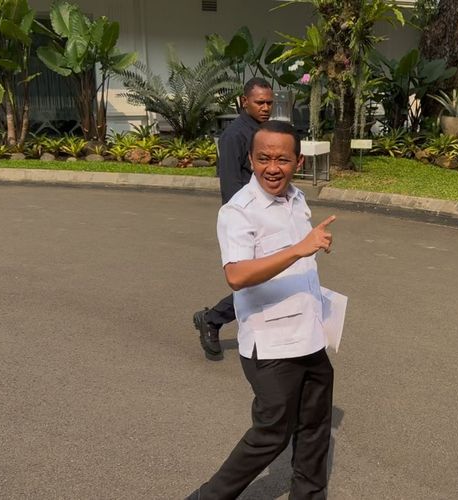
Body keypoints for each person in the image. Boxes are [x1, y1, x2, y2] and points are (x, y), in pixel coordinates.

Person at [185, 121, 336, 500]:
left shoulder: (297, 199)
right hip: (271, 346)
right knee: (271, 434)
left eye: (282, 159)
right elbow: (236, 276)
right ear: (250, 160)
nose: (272, 167)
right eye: (263, 158)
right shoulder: (240, 211)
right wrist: (299, 249)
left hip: (310, 337)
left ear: (298, 162)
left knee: (315, 426)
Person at [193, 77, 274, 360]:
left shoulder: (264, 131)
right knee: (255, 279)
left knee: (267, 277)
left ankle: (214, 319)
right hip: (246, 220)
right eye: (260, 102)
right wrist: (247, 223)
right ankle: (212, 319)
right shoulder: (235, 136)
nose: (265, 107)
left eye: (269, 103)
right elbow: (230, 187)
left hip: (267, 214)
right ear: (244, 101)